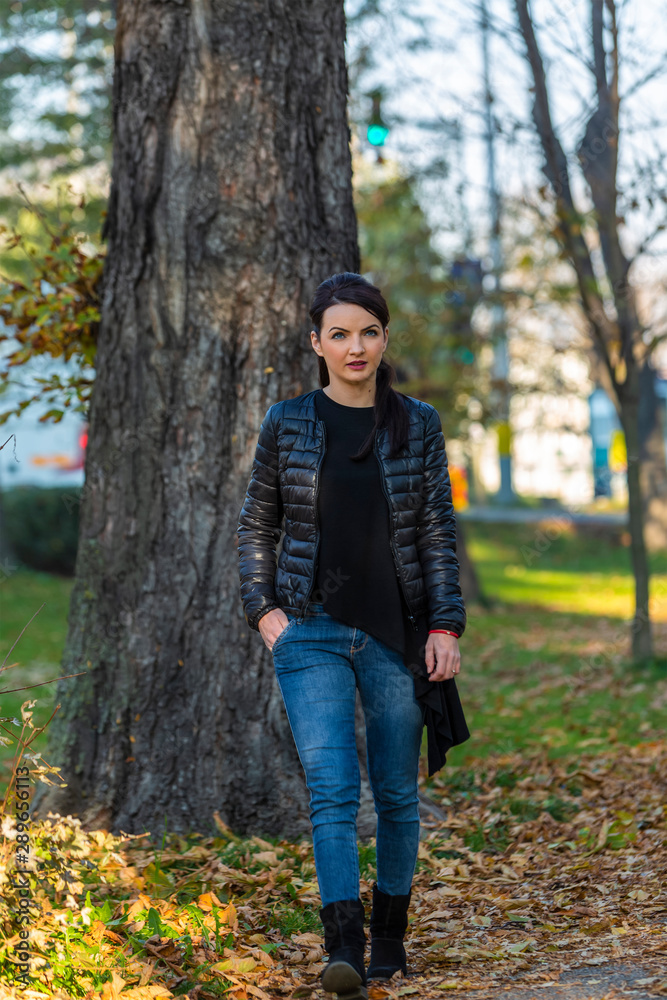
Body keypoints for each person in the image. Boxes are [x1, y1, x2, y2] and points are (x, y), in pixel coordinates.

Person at [237, 272, 470, 1000]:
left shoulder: (417, 423)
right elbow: (256, 524)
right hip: (309, 633)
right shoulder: (288, 421)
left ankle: (390, 941)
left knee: (397, 793)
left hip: (397, 639)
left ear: (383, 338)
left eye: (367, 331)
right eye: (338, 333)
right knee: (333, 791)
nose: (354, 346)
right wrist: (263, 611)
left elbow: (436, 530)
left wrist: (444, 623)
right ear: (316, 343)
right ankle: (343, 946)